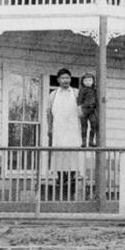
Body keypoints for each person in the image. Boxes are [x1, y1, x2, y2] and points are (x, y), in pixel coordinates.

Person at [46, 68, 82, 197]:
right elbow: (49, 113)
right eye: (63, 78)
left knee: (72, 156)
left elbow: (83, 111)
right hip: (59, 130)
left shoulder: (76, 93)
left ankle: (71, 182)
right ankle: (60, 181)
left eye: (67, 78)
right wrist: (49, 128)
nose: (65, 80)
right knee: (60, 155)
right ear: (58, 80)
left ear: (70, 79)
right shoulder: (53, 95)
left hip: (73, 130)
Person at [77, 71, 99, 147]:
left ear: (93, 81)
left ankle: (91, 141)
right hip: (84, 110)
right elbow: (79, 100)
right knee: (84, 126)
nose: (88, 82)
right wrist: (79, 109)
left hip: (92, 110)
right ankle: (83, 142)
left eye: (90, 80)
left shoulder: (95, 90)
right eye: (86, 80)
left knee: (94, 124)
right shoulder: (82, 90)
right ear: (83, 82)